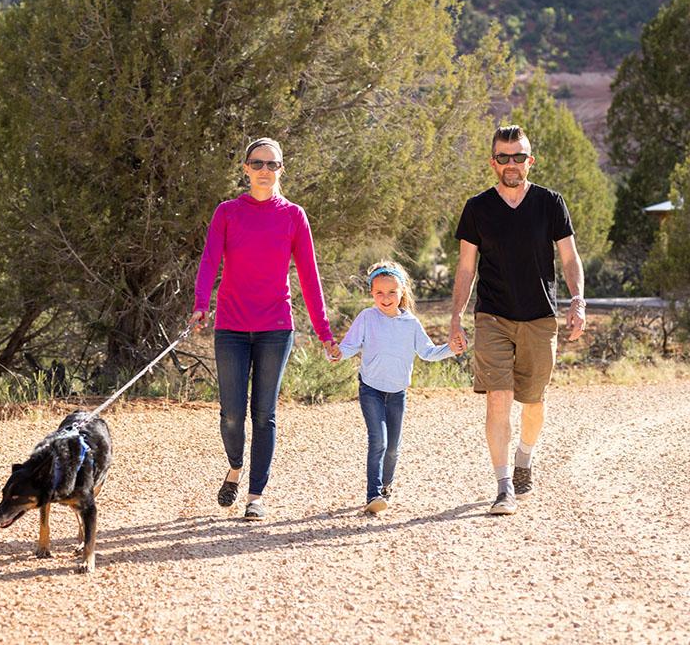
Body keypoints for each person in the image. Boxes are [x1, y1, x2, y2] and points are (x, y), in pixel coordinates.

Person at [189, 137, 338, 521]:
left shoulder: (293, 215)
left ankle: (255, 495)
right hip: (232, 326)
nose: (265, 171)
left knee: (265, 413)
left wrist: (324, 331)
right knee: (231, 414)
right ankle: (235, 467)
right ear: (245, 169)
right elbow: (209, 262)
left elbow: (309, 276)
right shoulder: (227, 212)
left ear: (281, 170)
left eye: (272, 165)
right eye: (258, 164)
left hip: (276, 327)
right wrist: (200, 305)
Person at [449, 125, 586, 516]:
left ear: (531, 160)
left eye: (519, 157)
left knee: (533, 401)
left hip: (540, 318)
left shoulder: (550, 203)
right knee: (498, 397)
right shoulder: (477, 208)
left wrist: (578, 300)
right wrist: (456, 317)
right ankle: (503, 485)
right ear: (493, 162)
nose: (512, 164)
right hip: (492, 315)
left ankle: (525, 456)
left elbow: (570, 258)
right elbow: (465, 268)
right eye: (504, 157)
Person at [330, 261, 455, 514]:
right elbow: (350, 346)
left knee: (393, 447)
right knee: (379, 440)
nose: (385, 298)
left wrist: (452, 348)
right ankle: (373, 494)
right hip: (371, 390)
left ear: (402, 292)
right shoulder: (367, 317)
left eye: (391, 292)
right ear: (371, 293)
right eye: (379, 293)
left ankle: (386, 487)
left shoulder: (411, 323)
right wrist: (336, 353)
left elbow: (428, 352)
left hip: (397, 393)